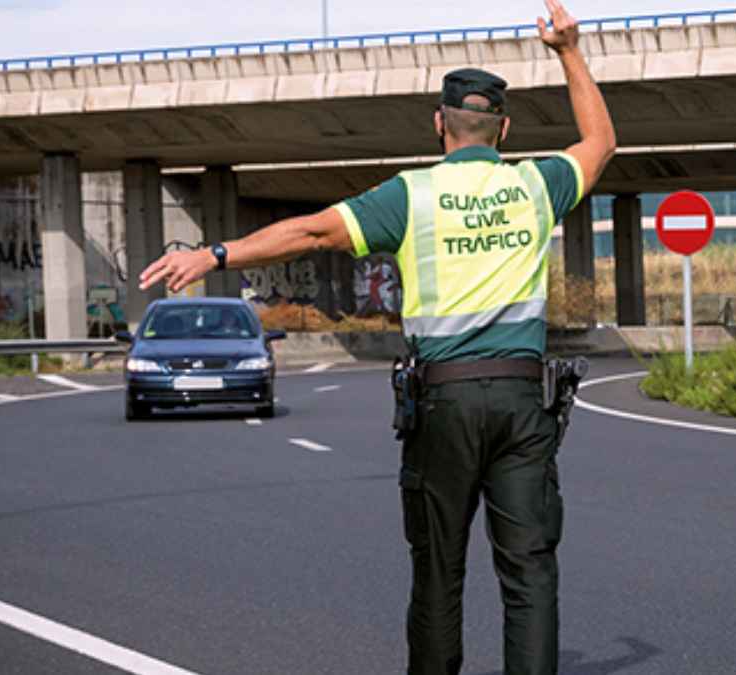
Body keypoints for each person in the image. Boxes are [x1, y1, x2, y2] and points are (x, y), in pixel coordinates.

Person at [138, 1, 614, 672]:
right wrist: (568, 50)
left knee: (439, 570)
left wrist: (215, 255)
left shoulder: (410, 196)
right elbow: (599, 144)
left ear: (440, 124)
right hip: (519, 402)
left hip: (443, 406)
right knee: (529, 573)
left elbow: (308, 231)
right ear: (503, 129)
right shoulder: (534, 184)